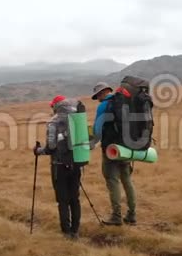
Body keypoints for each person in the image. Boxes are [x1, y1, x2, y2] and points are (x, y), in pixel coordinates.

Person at [34, 95, 82, 239]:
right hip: (76, 164)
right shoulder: (76, 119)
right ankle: (75, 230)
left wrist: (38, 151)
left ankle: (66, 232)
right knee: (75, 198)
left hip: (59, 166)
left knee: (63, 200)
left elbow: (51, 147)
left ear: (56, 106)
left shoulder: (53, 122)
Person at [90, 82, 137, 226]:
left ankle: (116, 216)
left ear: (102, 93)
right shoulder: (125, 102)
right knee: (127, 180)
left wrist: (91, 144)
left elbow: (97, 130)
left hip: (111, 149)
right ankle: (131, 214)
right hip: (127, 147)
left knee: (112, 180)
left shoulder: (104, 106)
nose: (97, 98)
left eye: (97, 95)